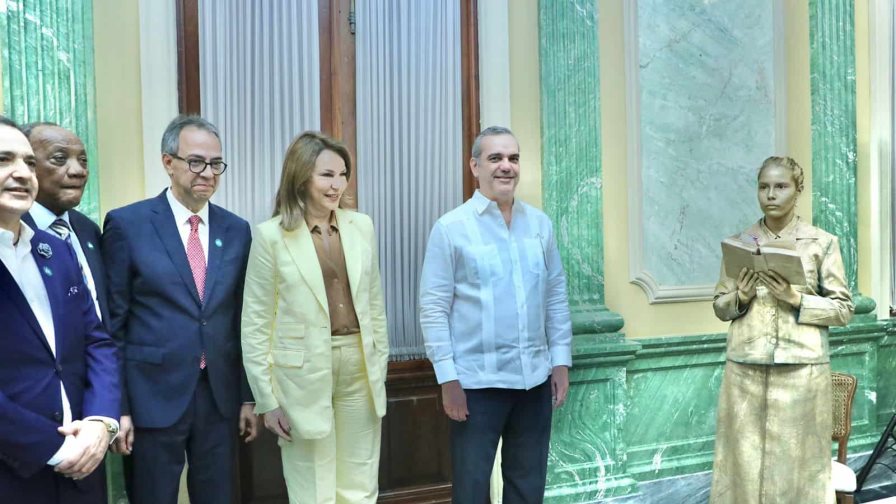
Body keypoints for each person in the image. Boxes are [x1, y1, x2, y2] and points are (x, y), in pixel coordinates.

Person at [102, 115, 258, 504]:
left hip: (218, 398)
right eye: (196, 162)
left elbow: (241, 320)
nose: (207, 173)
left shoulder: (236, 230)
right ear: (168, 162)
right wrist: (116, 408)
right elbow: (113, 325)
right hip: (150, 397)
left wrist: (247, 396)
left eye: (216, 163)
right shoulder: (128, 224)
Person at [419, 126, 572, 503]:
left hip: (533, 382)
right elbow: (433, 308)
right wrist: (447, 379)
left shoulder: (540, 225)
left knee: (527, 487)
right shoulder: (451, 228)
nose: (506, 166)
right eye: (495, 158)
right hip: (475, 386)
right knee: (472, 491)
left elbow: (555, 296)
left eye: (513, 158)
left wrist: (560, 362)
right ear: (475, 166)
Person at [241, 131, 389, 504]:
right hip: (300, 375)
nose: (337, 184)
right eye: (327, 175)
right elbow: (256, 324)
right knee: (313, 489)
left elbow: (374, 305)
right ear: (301, 176)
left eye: (342, 175)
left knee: (359, 485)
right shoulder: (270, 236)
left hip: (359, 367)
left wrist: (379, 359)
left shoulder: (362, 227)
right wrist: (267, 400)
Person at [709, 156, 854, 503]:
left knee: (802, 468)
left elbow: (844, 310)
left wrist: (796, 299)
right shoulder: (740, 242)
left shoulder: (822, 242)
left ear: (798, 190)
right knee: (741, 464)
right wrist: (739, 298)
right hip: (745, 369)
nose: (770, 195)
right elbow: (719, 305)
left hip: (803, 371)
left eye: (780, 186)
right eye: (763, 187)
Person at [0, 115, 119, 503]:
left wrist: (102, 422)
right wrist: (53, 448)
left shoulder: (57, 251)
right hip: (15, 469)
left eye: (28, 163)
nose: (21, 173)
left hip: (83, 467)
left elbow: (97, 341)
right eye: (4, 160)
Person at [21, 122, 108, 322]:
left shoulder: (89, 230)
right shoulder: (12, 229)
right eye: (60, 159)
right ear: (28, 166)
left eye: (84, 161)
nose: (78, 171)